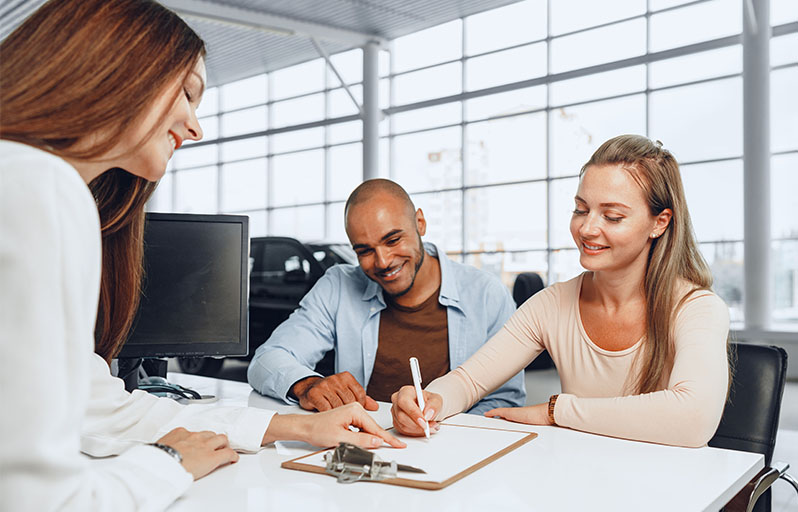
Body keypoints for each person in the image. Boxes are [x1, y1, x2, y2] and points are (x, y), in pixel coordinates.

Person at [0, 1, 401, 510]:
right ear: (119, 66)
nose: (195, 128)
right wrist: (167, 464)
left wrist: (297, 426)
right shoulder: (40, 187)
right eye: (188, 94)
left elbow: (99, 408)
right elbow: (39, 499)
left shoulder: (20, 177)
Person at [391, 134, 730, 448]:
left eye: (612, 216)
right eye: (581, 209)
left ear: (660, 222)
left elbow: (694, 419)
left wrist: (555, 412)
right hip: (580, 480)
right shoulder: (553, 304)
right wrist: (430, 401)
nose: (587, 227)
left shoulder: (696, 307)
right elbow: (468, 381)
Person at [248, 179, 526, 414]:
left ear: (420, 223)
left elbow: (504, 401)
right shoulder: (338, 286)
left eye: (393, 240)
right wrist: (307, 385)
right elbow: (267, 359)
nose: (382, 261)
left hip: (453, 452)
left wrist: (437, 423)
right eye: (365, 251)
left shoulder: (486, 294)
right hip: (361, 451)